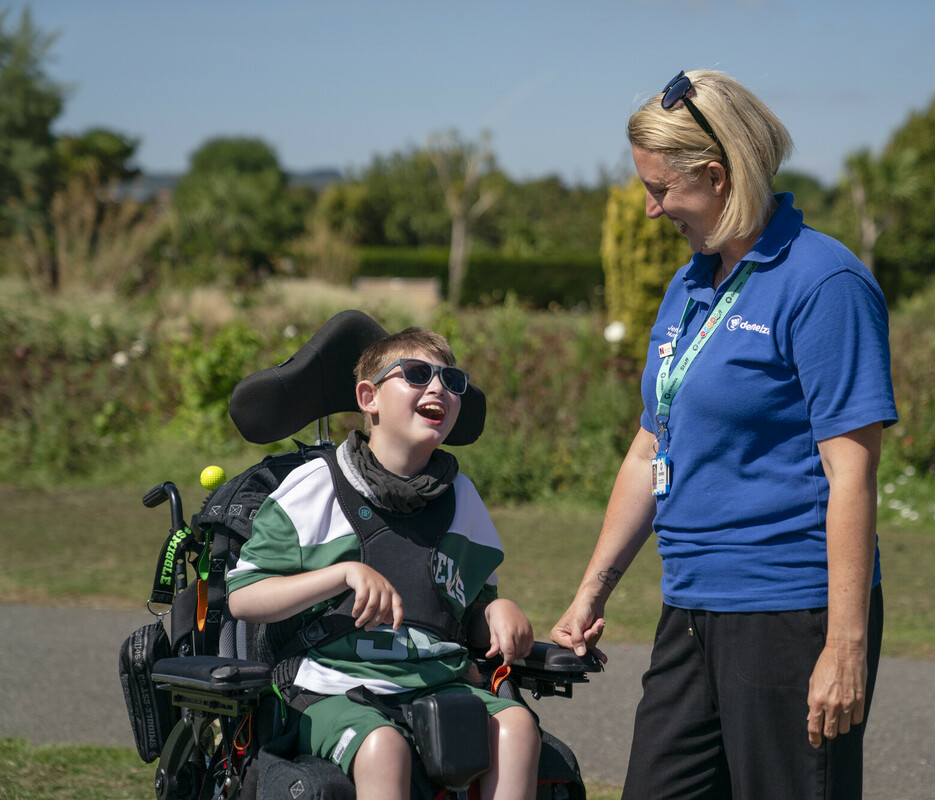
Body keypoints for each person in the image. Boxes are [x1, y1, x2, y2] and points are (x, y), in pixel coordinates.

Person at [552, 69, 897, 799]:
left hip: (788, 613)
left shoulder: (825, 283)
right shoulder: (690, 284)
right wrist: (591, 592)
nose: (650, 210)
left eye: (661, 190)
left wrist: (845, 646)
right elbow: (652, 445)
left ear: (715, 175)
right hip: (689, 606)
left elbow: (852, 477)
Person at [227, 327, 540, 800]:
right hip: (330, 685)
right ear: (369, 397)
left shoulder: (463, 499)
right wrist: (341, 574)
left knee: (517, 726)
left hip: (435, 680)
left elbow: (468, 615)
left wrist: (495, 614)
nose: (438, 388)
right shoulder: (316, 485)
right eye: (417, 375)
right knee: (381, 747)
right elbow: (244, 599)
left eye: (451, 380)